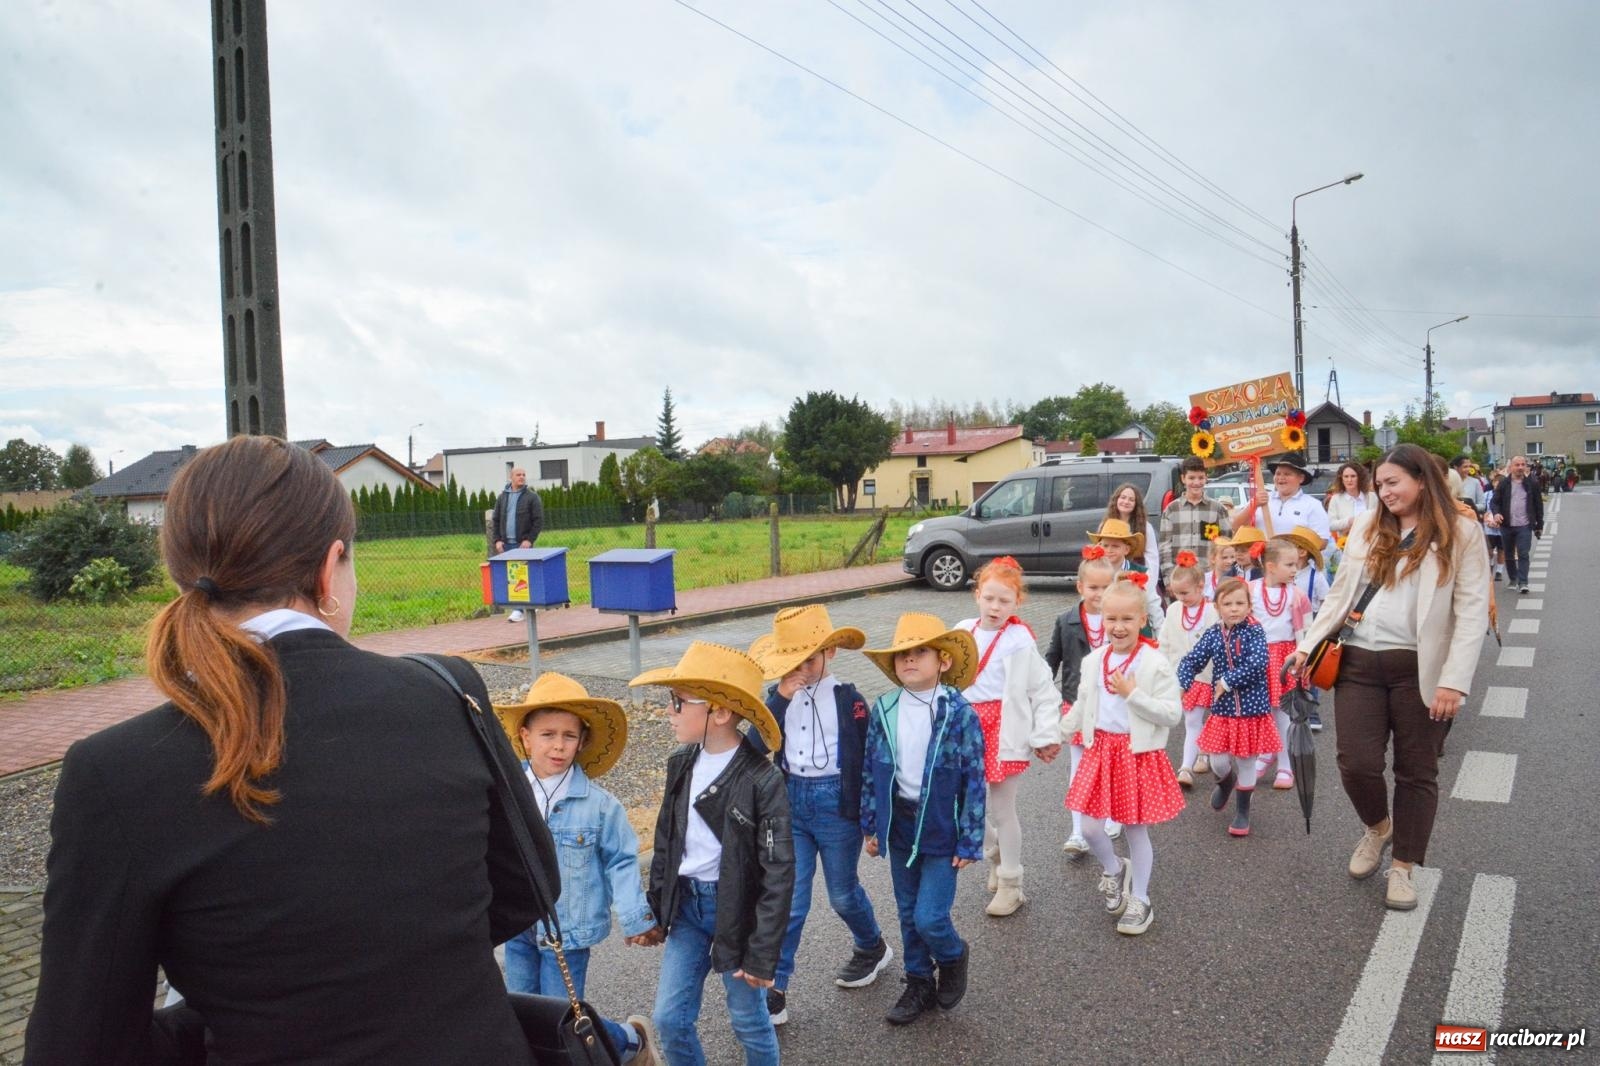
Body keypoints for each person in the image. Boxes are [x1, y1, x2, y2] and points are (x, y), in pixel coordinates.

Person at [25, 436, 555, 1064]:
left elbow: (82, 1039)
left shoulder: (114, 771)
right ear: (330, 568)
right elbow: (528, 886)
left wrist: (239, 1010)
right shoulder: (447, 692)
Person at [1288, 443, 1490, 911]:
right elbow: (1342, 593)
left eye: (1393, 482)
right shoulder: (1367, 524)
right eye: (1379, 485)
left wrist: (1454, 681)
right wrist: (1305, 646)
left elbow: (1472, 608)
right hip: (1357, 661)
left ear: (1422, 480)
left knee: (1416, 772)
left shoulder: (1460, 532)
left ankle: (1402, 868)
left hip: (1421, 669)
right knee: (1355, 762)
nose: (1385, 492)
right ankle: (1378, 828)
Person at [632, 642, 793, 1066]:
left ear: (719, 713)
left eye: (678, 702)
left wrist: (762, 952)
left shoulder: (763, 779)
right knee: (669, 1018)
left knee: (747, 1019)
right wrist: (655, 910)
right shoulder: (681, 761)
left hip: (738, 913)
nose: (669, 711)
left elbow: (778, 871)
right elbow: (668, 841)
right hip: (688, 908)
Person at [496, 673, 662, 1064]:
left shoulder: (600, 805)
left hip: (567, 934)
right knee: (520, 1015)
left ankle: (629, 1040)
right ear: (524, 736)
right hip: (517, 925)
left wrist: (636, 918)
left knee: (561, 1021)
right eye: (547, 734)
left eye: (568, 736)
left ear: (582, 741)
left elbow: (621, 861)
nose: (558, 745)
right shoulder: (506, 792)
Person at [746, 605, 890, 1027]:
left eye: (810, 659)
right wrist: (780, 696)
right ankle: (776, 987)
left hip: (837, 803)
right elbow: (755, 746)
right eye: (793, 661)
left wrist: (871, 820)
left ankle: (872, 946)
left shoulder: (850, 699)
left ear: (831, 653)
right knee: (789, 899)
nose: (802, 669)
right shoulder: (777, 698)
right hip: (791, 802)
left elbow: (867, 761)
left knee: (842, 894)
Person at [858, 614, 985, 1026]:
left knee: (930, 915)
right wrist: (871, 823)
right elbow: (870, 769)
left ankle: (951, 955)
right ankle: (918, 981)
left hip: (942, 827)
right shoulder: (885, 708)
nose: (909, 660)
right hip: (900, 824)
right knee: (907, 908)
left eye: (920, 652)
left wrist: (970, 838)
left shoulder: (959, 713)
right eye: (902, 655)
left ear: (943, 662)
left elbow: (974, 778)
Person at [1059, 576, 1185, 935]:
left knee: (1134, 829)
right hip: (1099, 751)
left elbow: (1171, 714)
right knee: (1090, 827)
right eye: (1111, 618)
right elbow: (1083, 705)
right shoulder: (1094, 660)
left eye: (1127, 619)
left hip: (1135, 754)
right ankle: (1115, 870)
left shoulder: (1154, 663)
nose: (1118, 626)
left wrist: (1133, 695)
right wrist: (1058, 735)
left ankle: (1141, 899)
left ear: (1143, 619)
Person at [955, 557, 1061, 917]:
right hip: (963, 727)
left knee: (1002, 809)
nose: (995, 607)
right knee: (961, 803)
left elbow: (1042, 689)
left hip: (1002, 729)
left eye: (1004, 600)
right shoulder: (961, 631)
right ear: (977, 596)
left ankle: (1011, 882)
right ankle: (995, 853)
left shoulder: (1018, 640)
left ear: (1018, 602)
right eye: (989, 598)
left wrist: (1046, 734)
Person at [1178, 578, 1278, 837]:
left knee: (1246, 761)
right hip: (1222, 710)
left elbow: (1258, 663)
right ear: (1218, 607)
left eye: (1240, 603)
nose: (1234, 609)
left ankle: (1243, 811)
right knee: (1217, 761)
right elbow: (1194, 659)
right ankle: (1225, 782)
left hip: (1250, 710)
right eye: (1228, 604)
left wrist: (1227, 680)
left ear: (1248, 606)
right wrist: (1184, 679)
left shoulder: (1255, 631)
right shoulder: (1213, 633)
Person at [1045, 551, 1122, 855]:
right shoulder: (1066, 621)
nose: (1099, 594)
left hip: (1114, 707)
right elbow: (1051, 659)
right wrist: (1039, 693)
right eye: (1093, 587)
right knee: (1079, 770)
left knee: (1114, 766)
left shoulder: (1118, 619)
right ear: (1080, 587)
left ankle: (1114, 816)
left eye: (1106, 587)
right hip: (1076, 704)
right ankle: (1078, 831)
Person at [1250, 539, 1314, 789]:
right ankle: (1267, 753)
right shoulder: (1250, 589)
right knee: (1261, 712)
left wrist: (1303, 656)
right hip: (1258, 658)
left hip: (1286, 658)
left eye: (1296, 564)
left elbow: (1307, 630)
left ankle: (1285, 765)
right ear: (1270, 566)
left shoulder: (1297, 595)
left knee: (1284, 712)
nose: (1294, 569)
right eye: (1289, 564)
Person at [1158, 554, 1218, 788]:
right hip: (1185, 676)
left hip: (1211, 675)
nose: (1180, 598)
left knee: (1213, 717)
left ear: (1201, 586)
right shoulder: (1173, 611)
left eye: (1185, 593)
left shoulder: (1213, 611)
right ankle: (1185, 767)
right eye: (1176, 594)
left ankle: (1205, 751)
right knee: (1192, 720)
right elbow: (1165, 641)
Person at [1159, 456, 1233, 585]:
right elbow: (1165, 547)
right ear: (1183, 479)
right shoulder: (1172, 509)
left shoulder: (1217, 509)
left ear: (1206, 478)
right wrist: (1169, 579)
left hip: (1209, 577)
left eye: (1200, 478)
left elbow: (1227, 544)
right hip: (1181, 576)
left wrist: (1224, 575)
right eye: (1191, 478)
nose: (1196, 482)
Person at [1237, 454, 1332, 552]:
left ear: (1301, 478)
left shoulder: (1312, 505)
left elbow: (1322, 541)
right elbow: (1236, 528)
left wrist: (1295, 553)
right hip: (1260, 563)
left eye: (1287, 474)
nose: (1281, 478)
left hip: (1294, 565)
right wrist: (1254, 505)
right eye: (1278, 474)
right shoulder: (1261, 498)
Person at [1089, 518, 1163, 628]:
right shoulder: (1095, 570)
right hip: (1103, 630)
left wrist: (1160, 635)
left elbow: (1153, 605)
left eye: (1115, 546)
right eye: (1105, 545)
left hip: (1137, 632)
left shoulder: (1141, 573)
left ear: (1126, 549)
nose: (1109, 550)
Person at [493, 467, 545, 622]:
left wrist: (529, 539)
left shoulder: (532, 497)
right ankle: (525, 605)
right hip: (506, 545)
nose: (522, 477)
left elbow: (538, 520)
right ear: (511, 477)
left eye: (524, 475)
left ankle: (519, 610)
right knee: (512, 577)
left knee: (522, 576)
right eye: (518, 475)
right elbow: (496, 520)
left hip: (523, 545)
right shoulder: (502, 497)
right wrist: (497, 540)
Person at [1488, 454, 1544, 594]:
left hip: (1524, 524)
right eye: (1517, 465)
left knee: (1523, 553)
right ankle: (1513, 578)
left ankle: (1523, 582)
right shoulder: (1504, 484)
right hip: (1507, 524)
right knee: (1508, 554)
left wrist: (1539, 525)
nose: (1520, 467)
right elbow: (1494, 502)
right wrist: (1496, 513)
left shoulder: (1532, 483)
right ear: (1511, 467)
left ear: (1526, 466)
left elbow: (1538, 505)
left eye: (1522, 464)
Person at [1105, 481, 1161, 578]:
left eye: (1131, 500)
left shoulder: (1146, 527)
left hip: (1136, 575)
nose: (1126, 502)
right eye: (1123, 497)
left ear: (1136, 504)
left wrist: (1148, 579)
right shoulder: (1106, 524)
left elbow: (1152, 557)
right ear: (1116, 499)